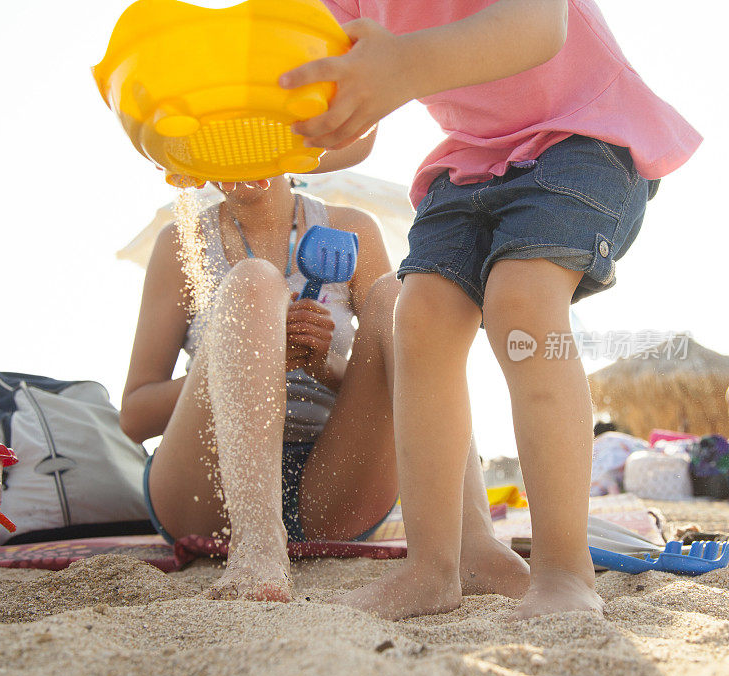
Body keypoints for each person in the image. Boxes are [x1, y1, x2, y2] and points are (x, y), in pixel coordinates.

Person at [278, 0, 701, 619]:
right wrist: (266, 135)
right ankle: (434, 568)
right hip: (472, 160)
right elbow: (349, 123)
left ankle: (564, 568)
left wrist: (401, 65)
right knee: (418, 317)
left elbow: (536, 27)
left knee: (522, 302)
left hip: (583, 134)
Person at [120, 174, 407, 602]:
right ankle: (256, 548)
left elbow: (395, 383)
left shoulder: (353, 229)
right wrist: (241, 355)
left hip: (334, 482)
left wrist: (323, 366)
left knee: (394, 295)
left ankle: (463, 537)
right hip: (210, 488)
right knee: (253, 280)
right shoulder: (183, 244)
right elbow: (136, 417)